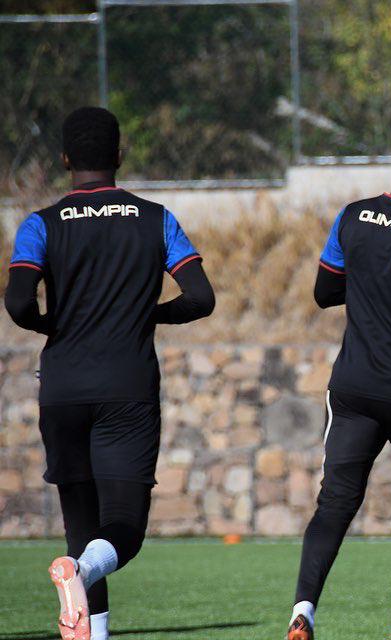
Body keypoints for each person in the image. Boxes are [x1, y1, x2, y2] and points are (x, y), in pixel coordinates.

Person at [4, 106, 215, 640]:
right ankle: (79, 573)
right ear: (120, 155)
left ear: (66, 159)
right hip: (127, 389)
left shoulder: (41, 223)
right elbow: (200, 297)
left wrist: (53, 325)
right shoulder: (155, 218)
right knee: (125, 527)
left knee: (81, 525)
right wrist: (153, 313)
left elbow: (17, 302)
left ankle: (90, 628)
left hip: (63, 389)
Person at [287, 128, 391, 640]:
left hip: (353, 387)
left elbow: (323, 291)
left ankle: (304, 610)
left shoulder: (353, 215)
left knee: (335, 500)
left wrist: (368, 288)